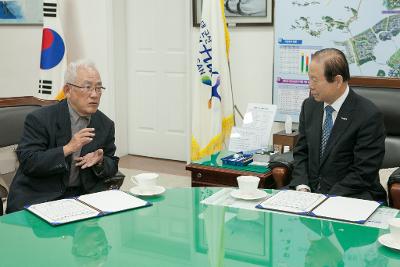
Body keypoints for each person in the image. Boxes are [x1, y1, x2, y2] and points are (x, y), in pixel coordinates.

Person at [6, 59, 119, 213]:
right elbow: (29, 162)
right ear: (67, 90)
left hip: (82, 197)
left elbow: (112, 164)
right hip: (41, 195)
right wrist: (67, 148)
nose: (94, 94)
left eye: (99, 88)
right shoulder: (40, 119)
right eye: (87, 87)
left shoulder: (105, 124)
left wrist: (100, 161)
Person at [289, 48, 387, 202]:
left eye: (315, 80)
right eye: (309, 78)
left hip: (352, 196)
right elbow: (301, 152)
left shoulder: (368, 115)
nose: (310, 86)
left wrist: (326, 198)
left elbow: (363, 172)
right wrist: (302, 187)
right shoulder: (309, 106)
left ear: (338, 81)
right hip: (309, 195)